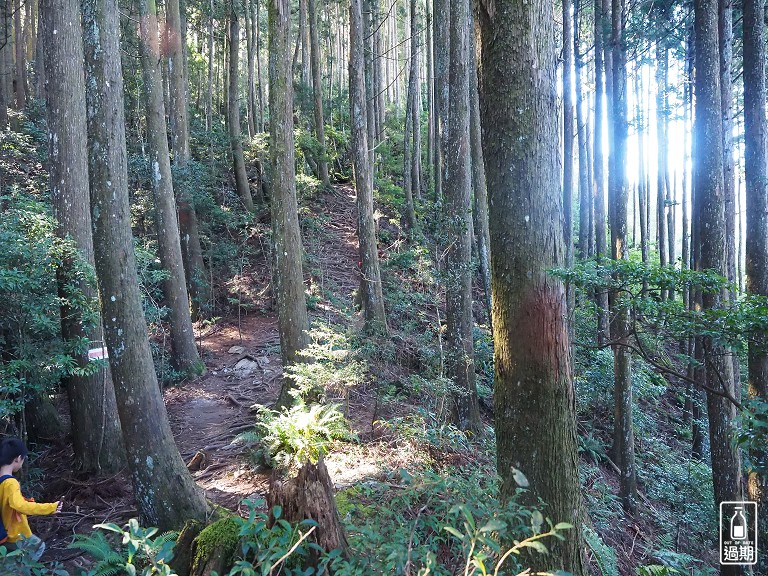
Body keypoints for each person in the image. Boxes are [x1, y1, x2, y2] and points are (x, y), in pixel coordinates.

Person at [0, 437, 62, 561]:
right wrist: (51, 507)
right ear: (18, 458)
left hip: (3, 533)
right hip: (15, 535)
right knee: (39, 547)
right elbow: (20, 506)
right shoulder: (10, 483)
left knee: (9, 559)